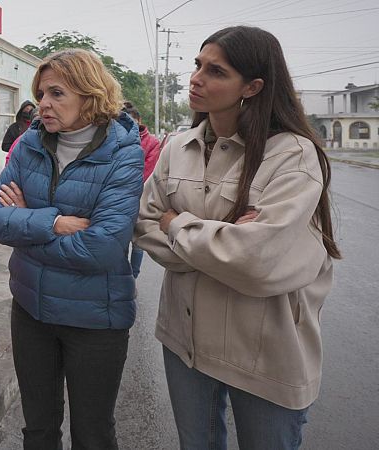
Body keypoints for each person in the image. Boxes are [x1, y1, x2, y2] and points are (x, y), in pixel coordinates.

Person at [134, 26, 341, 450]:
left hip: (263, 351)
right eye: (197, 65)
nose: (196, 78)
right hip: (185, 340)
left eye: (216, 71)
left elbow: (254, 260)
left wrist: (178, 225)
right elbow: (142, 223)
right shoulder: (178, 146)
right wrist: (223, 244)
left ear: (253, 86)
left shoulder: (292, 154)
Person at [0, 48, 143, 449]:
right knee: (37, 429)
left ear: (90, 95)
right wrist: (52, 223)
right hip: (31, 311)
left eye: (56, 93)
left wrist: (26, 226)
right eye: (41, 93)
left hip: (94, 321)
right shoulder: (28, 144)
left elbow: (102, 249)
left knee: (92, 433)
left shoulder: (124, 153)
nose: (43, 104)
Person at [121, 100, 161, 284]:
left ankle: (132, 277)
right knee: (121, 242)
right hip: (119, 198)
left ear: (138, 120)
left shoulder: (151, 142)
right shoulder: (116, 138)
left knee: (138, 243)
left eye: (132, 120)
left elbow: (148, 172)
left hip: (140, 198)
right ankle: (123, 277)